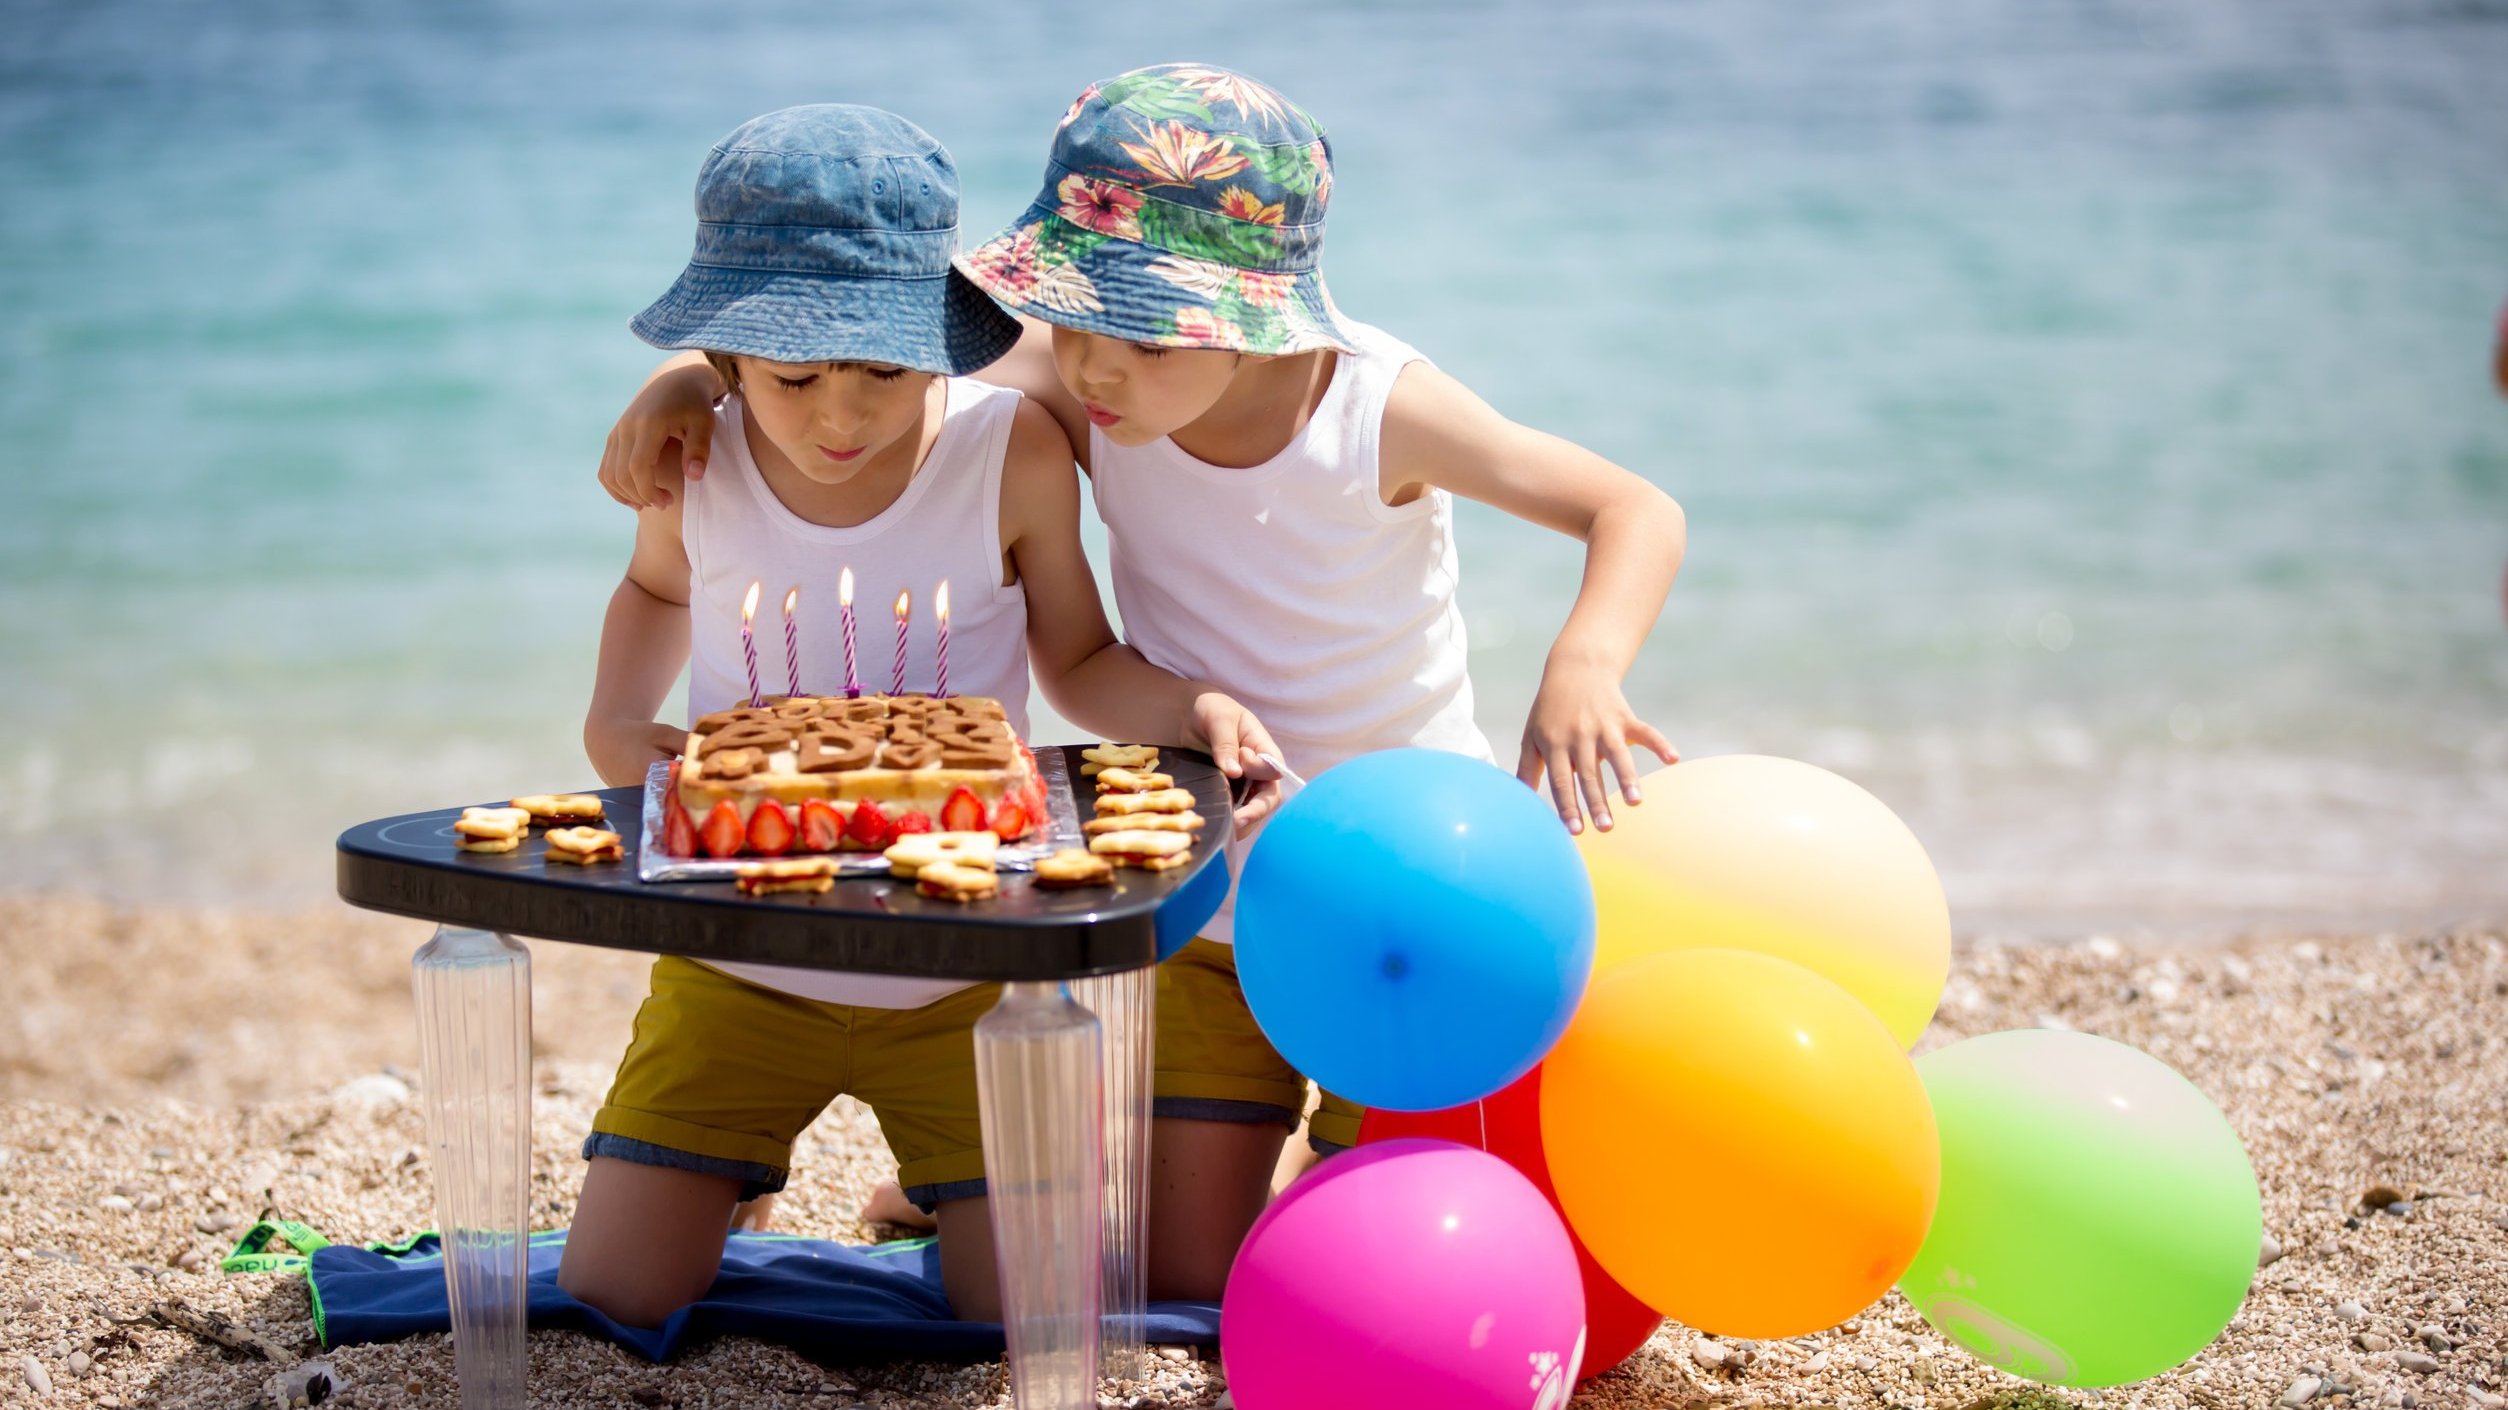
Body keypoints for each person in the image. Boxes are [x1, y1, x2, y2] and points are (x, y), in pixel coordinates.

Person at [592, 65, 1686, 1299]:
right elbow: (856, 362)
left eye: (1135, 337)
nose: (1091, 373)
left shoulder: (1383, 412)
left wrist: (1584, 661)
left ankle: (1020, 1180)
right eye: (1068, 324)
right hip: (1207, 894)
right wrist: (686, 379)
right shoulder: (1096, 387)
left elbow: (1628, 506)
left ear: (1246, 323)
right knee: (1176, 1291)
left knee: (1393, 1257)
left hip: (1404, 892)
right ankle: (944, 1188)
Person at [562, 102, 1280, 1327]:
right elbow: (651, 589)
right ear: (729, 360)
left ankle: (927, 1191)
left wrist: (1194, 702)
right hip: (739, 968)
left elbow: (1082, 661)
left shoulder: (1012, 453)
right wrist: (617, 725)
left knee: (1022, 1316)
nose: (841, 420)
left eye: (887, 374)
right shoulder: (697, 459)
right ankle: (726, 1174)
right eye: (793, 379)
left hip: (967, 979)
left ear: (941, 346)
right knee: (615, 1299)